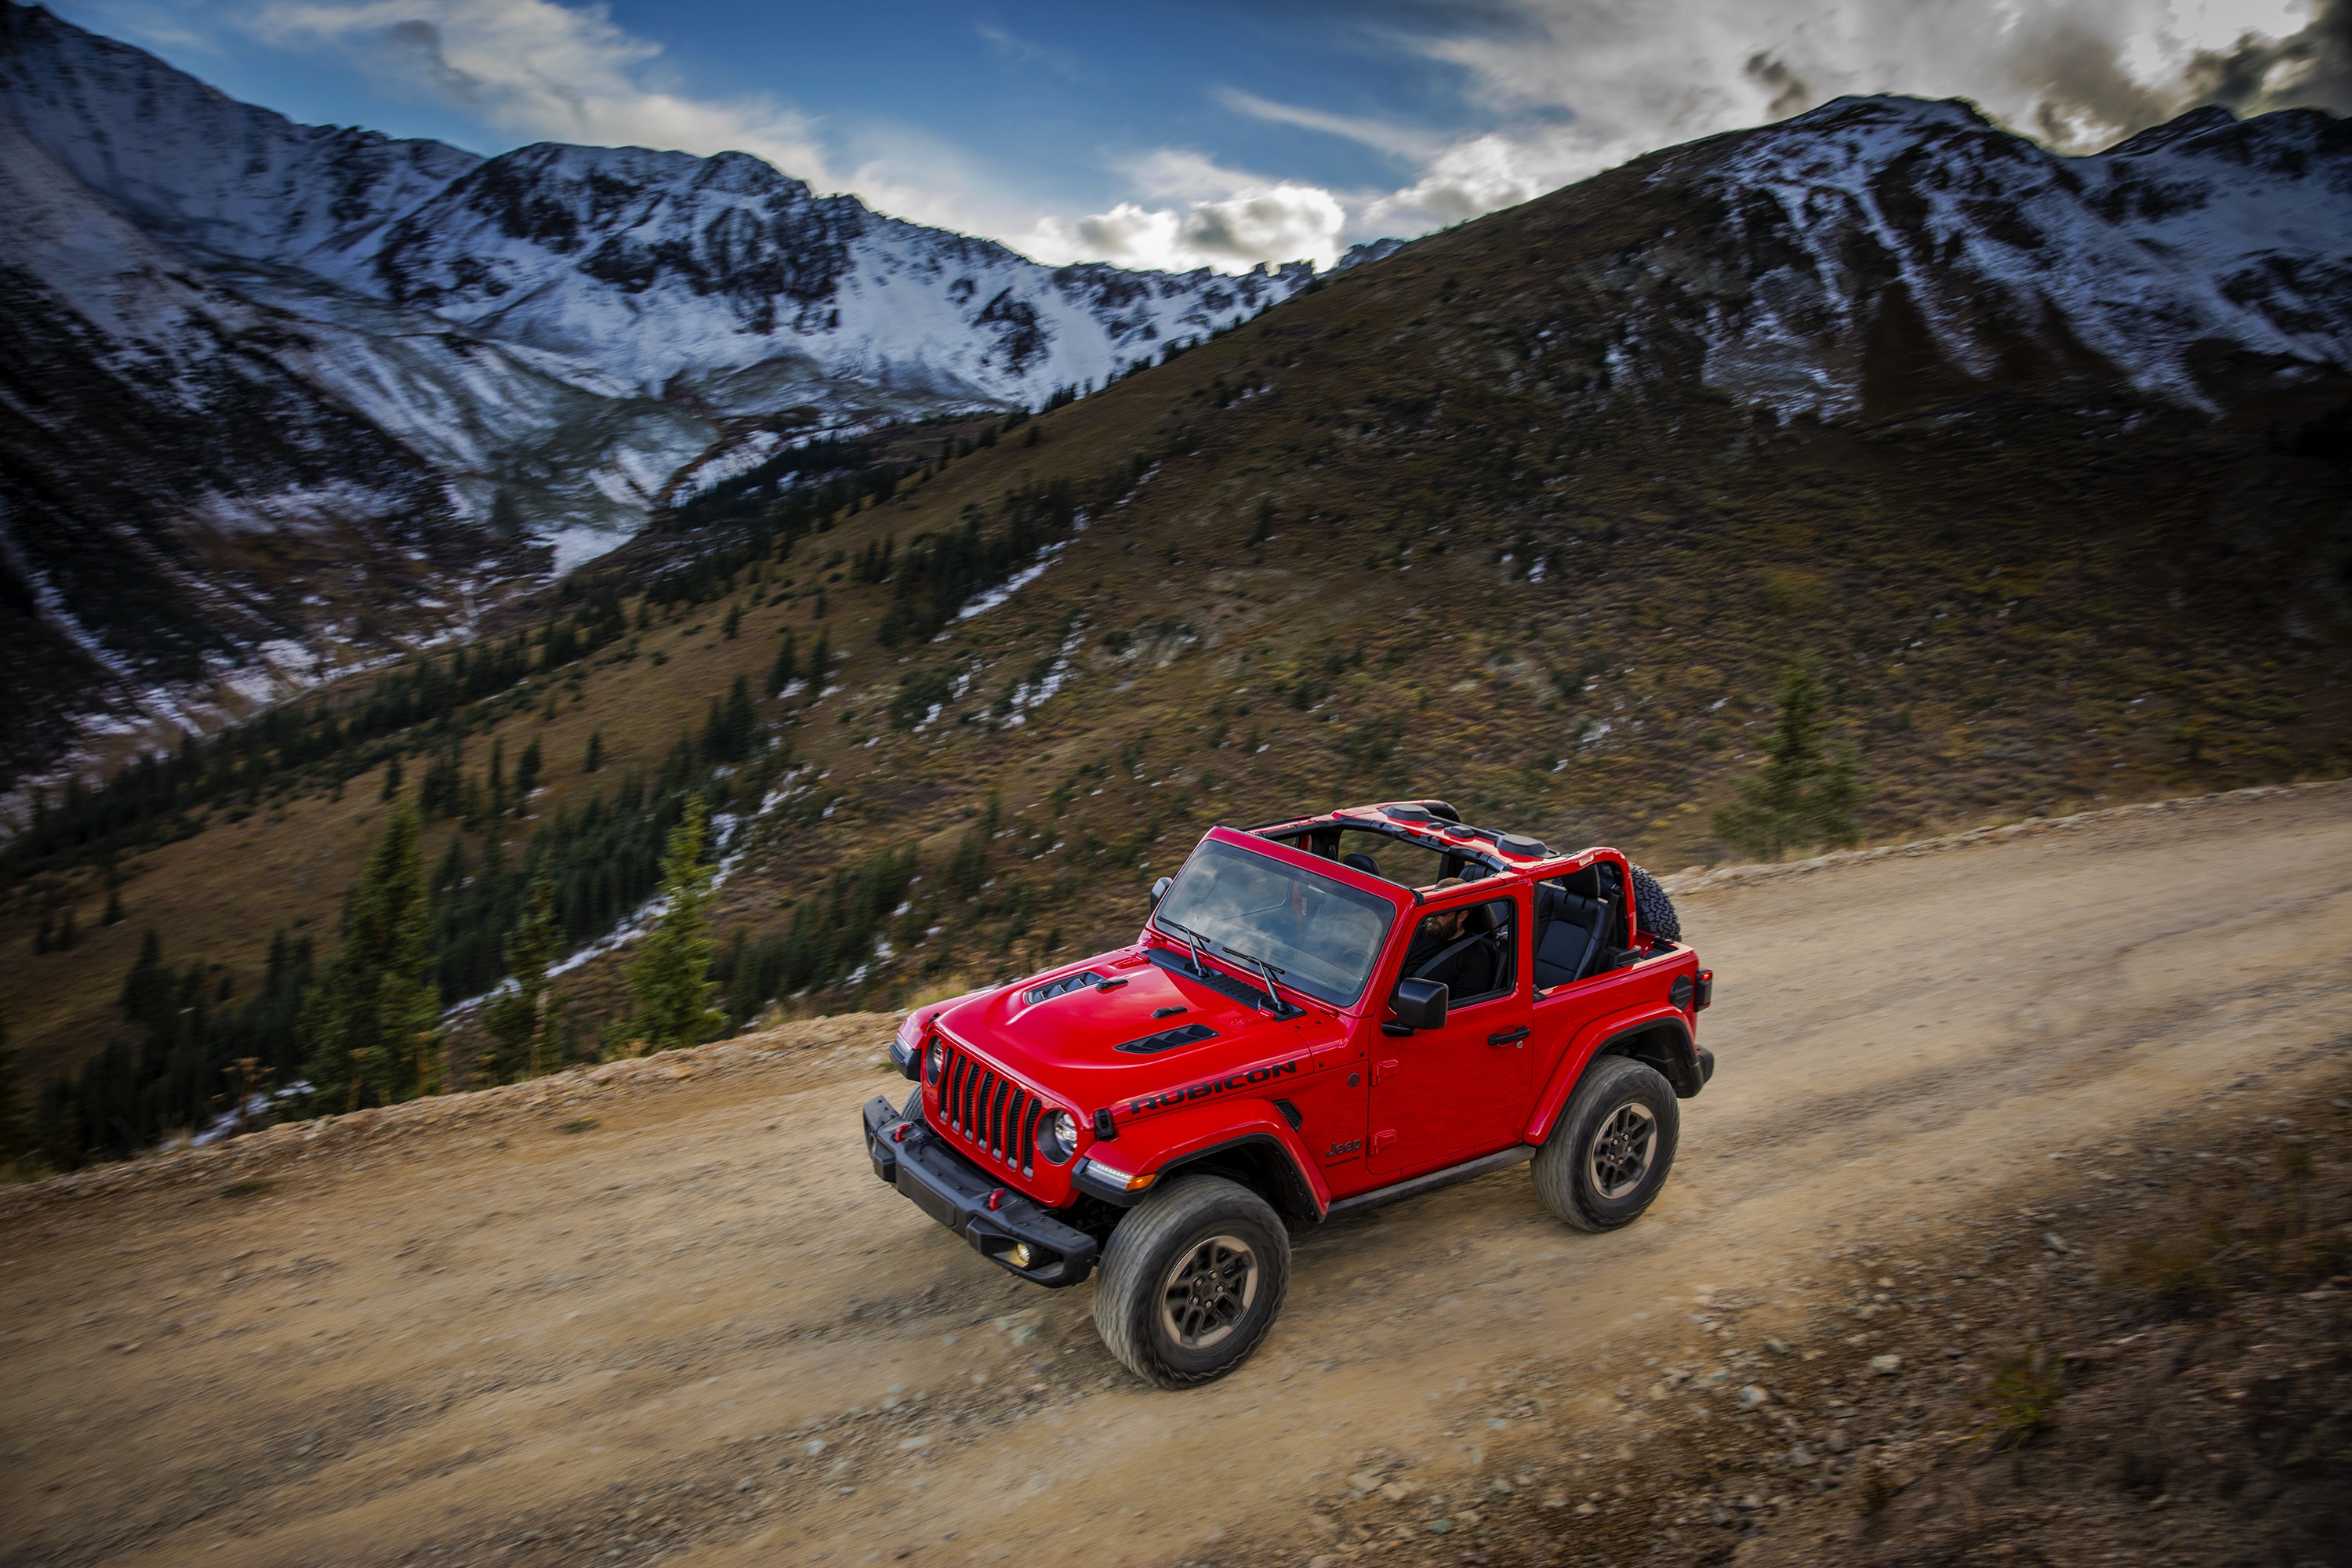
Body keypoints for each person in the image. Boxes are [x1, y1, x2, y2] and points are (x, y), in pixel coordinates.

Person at [1402, 880, 1497, 1000]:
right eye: (1432, 906)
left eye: (1442, 911)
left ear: (1461, 916)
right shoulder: (1416, 933)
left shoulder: (1475, 958)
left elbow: (1464, 1011)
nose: (1433, 914)